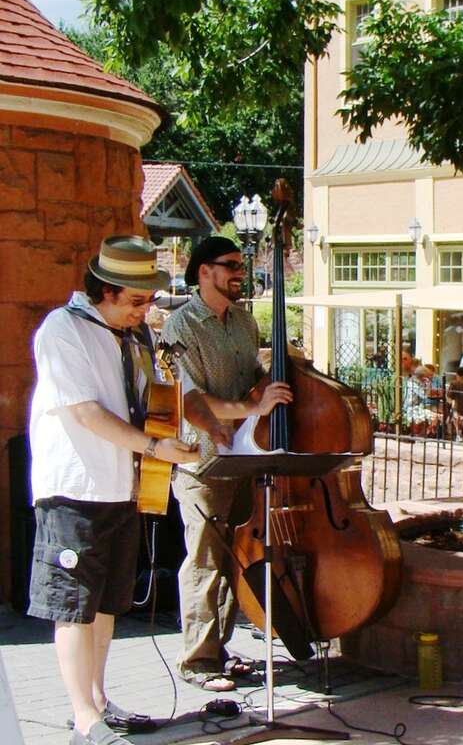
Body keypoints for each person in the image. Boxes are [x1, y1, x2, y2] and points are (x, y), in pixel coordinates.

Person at [28, 236, 198, 745]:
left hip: (120, 488)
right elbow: (84, 411)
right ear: (105, 290)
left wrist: (172, 434)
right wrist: (153, 446)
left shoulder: (133, 337)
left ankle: (98, 699)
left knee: (104, 605)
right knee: (73, 605)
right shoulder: (63, 331)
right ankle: (82, 717)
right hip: (74, 489)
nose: (146, 311)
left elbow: (150, 403)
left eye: (148, 300)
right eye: (136, 301)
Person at [161, 236, 292, 692]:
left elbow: (253, 383)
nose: (240, 272)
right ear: (203, 272)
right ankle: (196, 661)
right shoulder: (180, 326)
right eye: (230, 265)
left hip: (244, 457)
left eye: (242, 264)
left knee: (234, 559)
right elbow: (191, 401)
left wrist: (280, 379)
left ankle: (218, 649)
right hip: (201, 462)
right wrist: (253, 410)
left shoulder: (244, 323)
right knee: (204, 560)